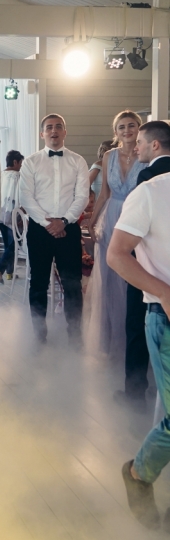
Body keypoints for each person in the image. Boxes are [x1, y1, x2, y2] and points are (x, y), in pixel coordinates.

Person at [107, 172, 170, 532]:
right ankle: (138, 473)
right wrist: (164, 292)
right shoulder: (151, 193)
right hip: (166, 317)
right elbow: (116, 255)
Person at [19, 114, 89, 346]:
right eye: (49, 127)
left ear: (65, 132)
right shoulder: (31, 162)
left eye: (59, 126)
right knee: (38, 283)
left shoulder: (78, 161)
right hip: (40, 230)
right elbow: (26, 197)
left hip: (69, 229)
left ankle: (75, 336)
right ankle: (39, 336)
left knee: (72, 284)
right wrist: (48, 223)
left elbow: (82, 196)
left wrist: (65, 221)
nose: (54, 130)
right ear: (42, 134)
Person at [116, 121, 170, 412]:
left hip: (150, 272)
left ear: (155, 145)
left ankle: (135, 391)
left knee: (136, 325)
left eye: (140, 141)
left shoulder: (148, 179)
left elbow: (127, 245)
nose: (136, 147)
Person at [85, 111, 146, 359]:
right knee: (110, 277)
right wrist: (92, 221)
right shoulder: (108, 156)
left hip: (137, 217)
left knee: (133, 274)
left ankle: (133, 340)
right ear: (116, 131)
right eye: (122, 127)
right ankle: (109, 341)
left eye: (131, 125)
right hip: (111, 218)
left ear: (139, 128)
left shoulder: (147, 155)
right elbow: (104, 194)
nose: (127, 130)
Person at [0, 150, 24, 284]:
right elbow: (21, 197)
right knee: (15, 244)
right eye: (20, 163)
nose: (21, 166)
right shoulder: (18, 176)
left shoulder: (0, 175)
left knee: (8, 245)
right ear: (15, 162)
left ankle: (10, 272)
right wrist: (22, 214)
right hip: (13, 215)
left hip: (1, 213)